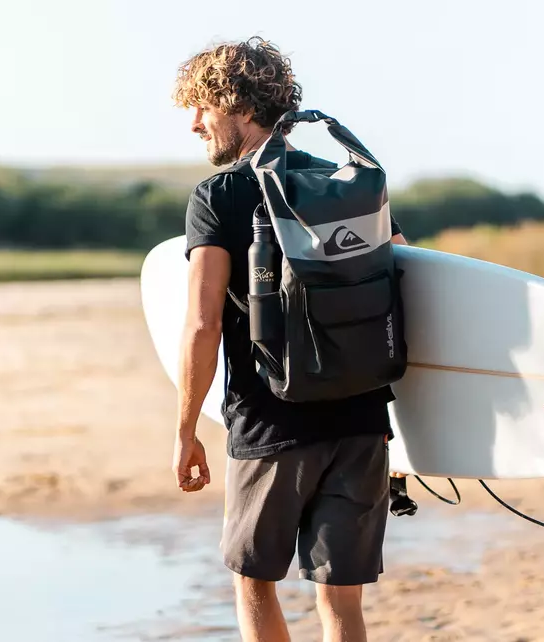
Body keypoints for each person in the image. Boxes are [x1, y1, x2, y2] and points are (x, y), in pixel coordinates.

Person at [169, 37, 409, 642]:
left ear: (239, 104)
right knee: (342, 604)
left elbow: (200, 323)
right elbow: (406, 279)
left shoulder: (220, 196)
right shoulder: (347, 183)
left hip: (272, 422)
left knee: (254, 583)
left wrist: (185, 429)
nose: (195, 124)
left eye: (202, 107)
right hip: (361, 422)